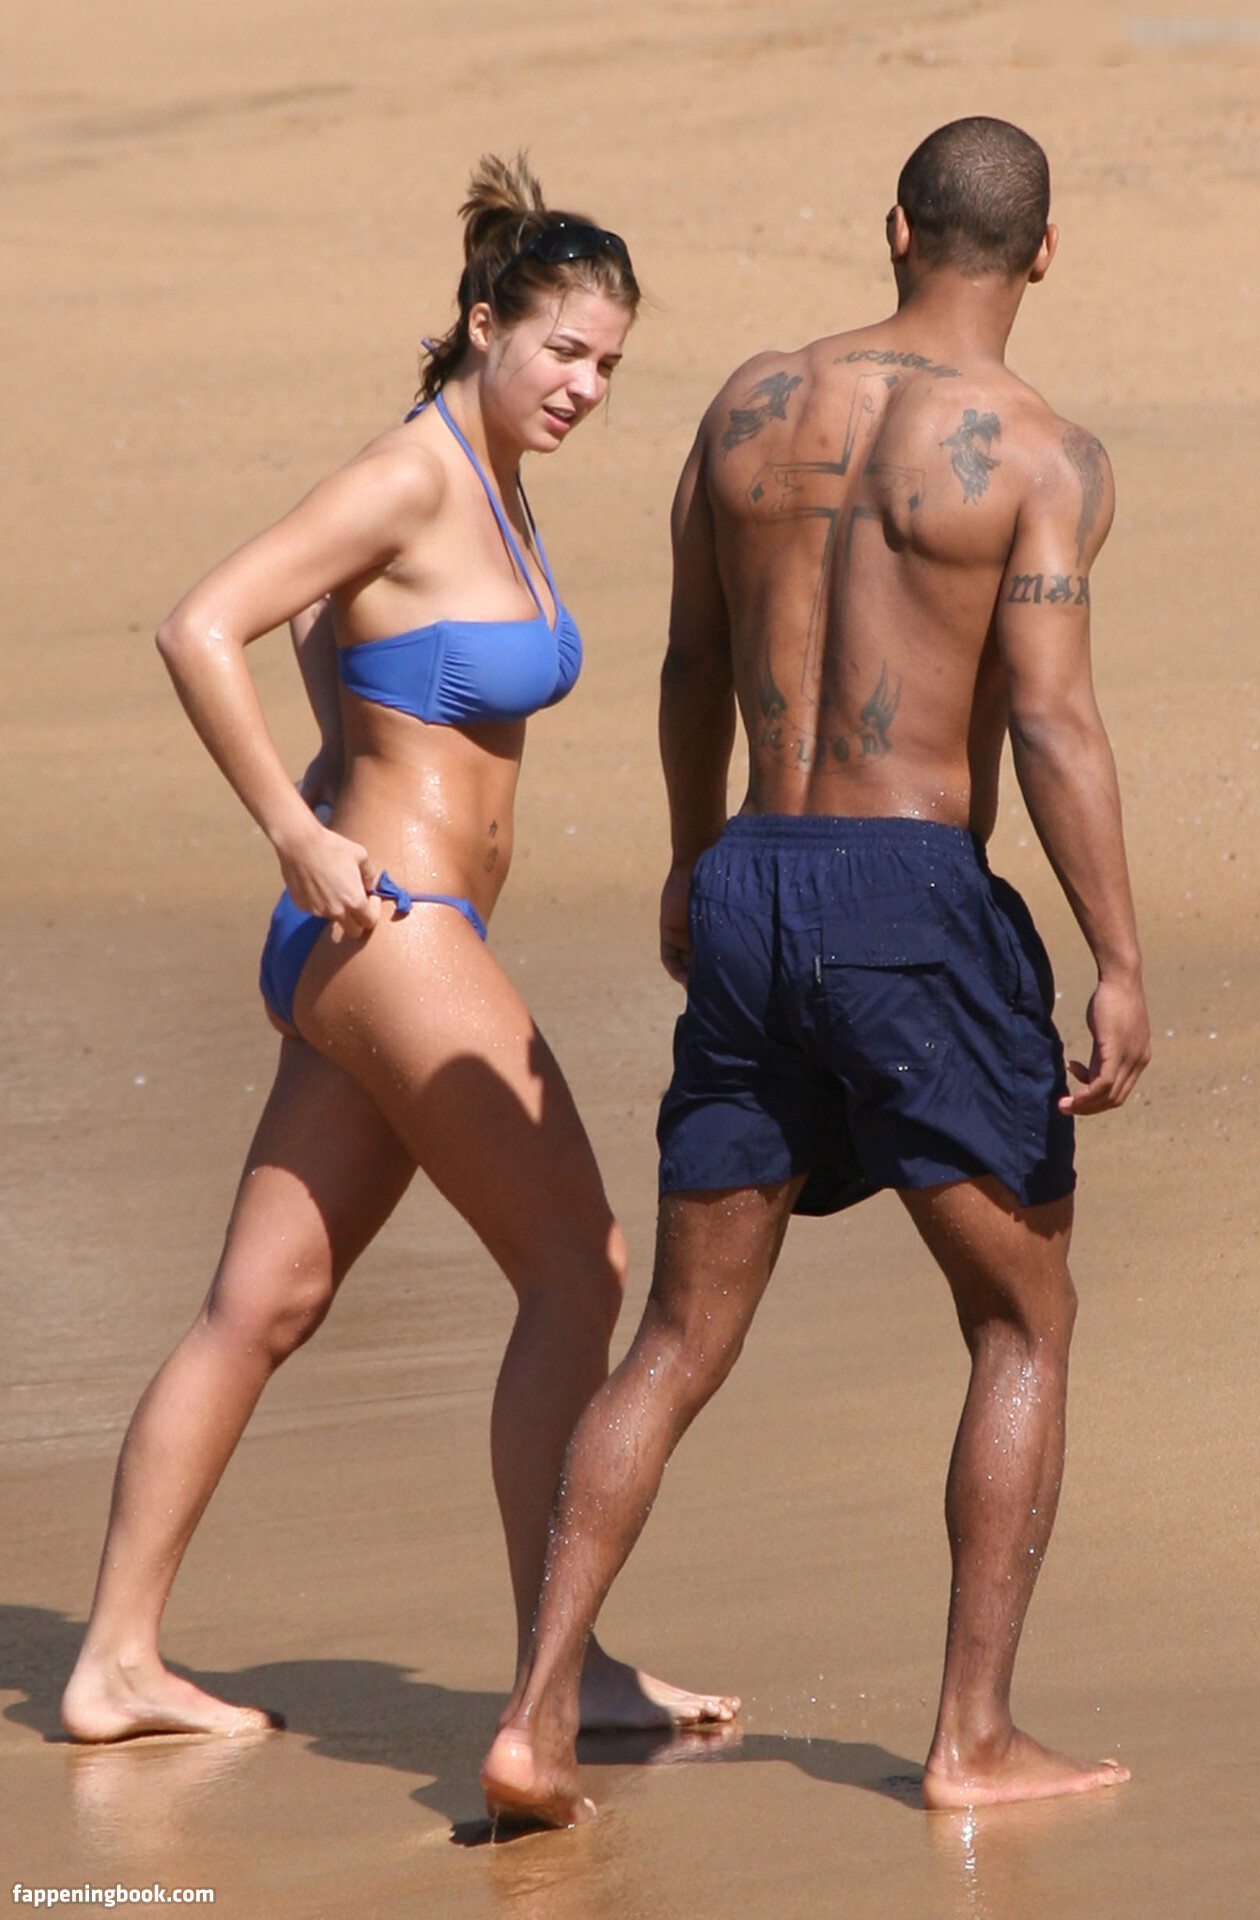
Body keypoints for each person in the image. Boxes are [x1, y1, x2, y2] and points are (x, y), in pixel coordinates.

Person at [480, 116, 1151, 1823]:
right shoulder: (1042, 453)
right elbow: (1053, 724)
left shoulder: (746, 409)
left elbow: (692, 661)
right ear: (1045, 253)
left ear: (894, 229)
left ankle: (536, 1717)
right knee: (1022, 1316)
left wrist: (692, 856)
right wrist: (1118, 957)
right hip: (909, 892)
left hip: (754, 879)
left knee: (677, 1337)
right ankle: (972, 1740)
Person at [61, 155, 737, 1744]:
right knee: (581, 1267)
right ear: (486, 323)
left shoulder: (489, 476)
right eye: (562, 350)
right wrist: (297, 826)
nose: (584, 387)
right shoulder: (413, 473)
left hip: (383, 935)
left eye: (609, 365)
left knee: (264, 1304)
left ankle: (113, 1663)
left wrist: (339, 752)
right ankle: (558, 1669)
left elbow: (325, 620)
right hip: (391, 925)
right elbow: (202, 624)